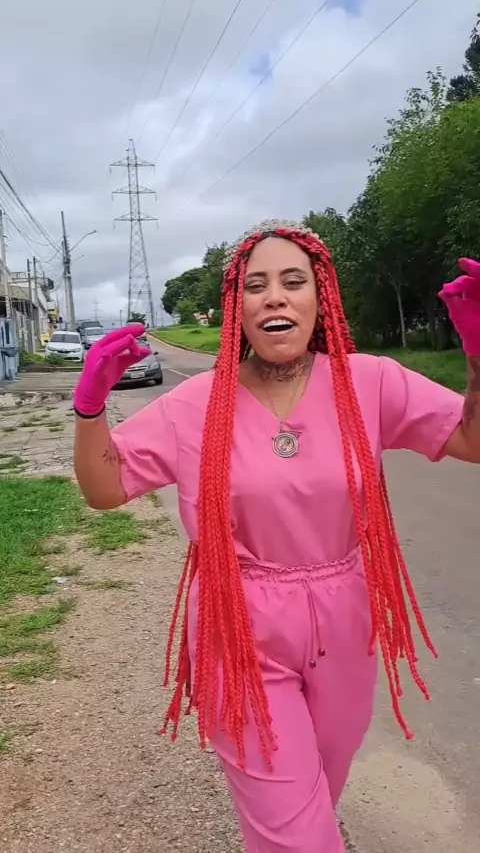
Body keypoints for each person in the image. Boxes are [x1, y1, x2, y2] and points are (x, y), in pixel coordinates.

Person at [73, 220, 480, 853]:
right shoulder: (196, 404)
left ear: (321, 297)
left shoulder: (370, 381)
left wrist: (478, 362)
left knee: (316, 796)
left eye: (293, 281)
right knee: (299, 836)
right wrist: (91, 410)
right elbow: (104, 488)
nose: (275, 296)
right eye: (256, 286)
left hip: (347, 617)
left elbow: (470, 440)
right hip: (238, 625)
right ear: (237, 308)